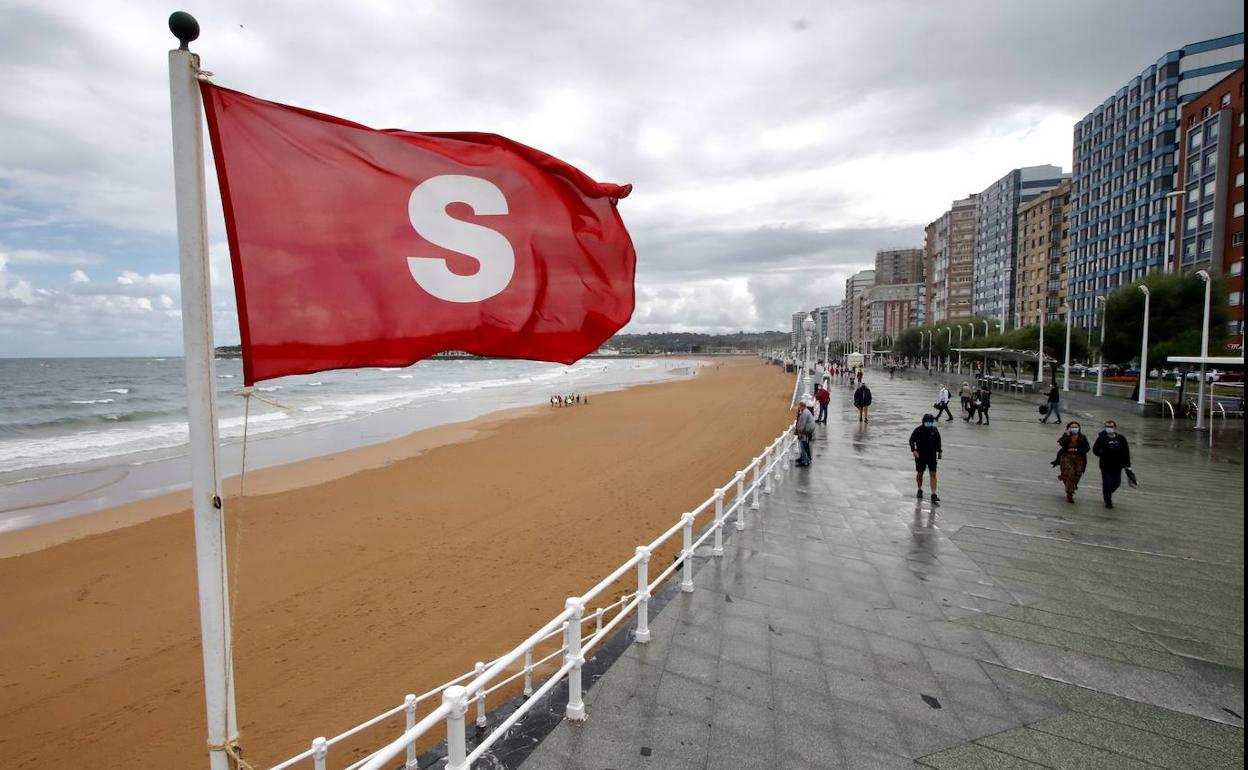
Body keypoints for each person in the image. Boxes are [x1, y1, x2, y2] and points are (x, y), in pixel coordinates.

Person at [1092, 420, 1131, 509]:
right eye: (1107, 427)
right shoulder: (1101, 438)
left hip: (1118, 465)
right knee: (1107, 482)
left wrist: (1127, 464)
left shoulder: (1121, 438)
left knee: (1117, 482)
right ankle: (1108, 500)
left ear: (1115, 427)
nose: (1109, 428)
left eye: (1111, 427)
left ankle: (1108, 492)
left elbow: (1126, 452)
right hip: (1106, 465)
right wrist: (1102, 454)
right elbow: (1095, 450)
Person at [1052, 421, 1090, 503]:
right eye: (1072, 427)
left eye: (1076, 427)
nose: (1074, 428)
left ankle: (1070, 486)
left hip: (1079, 459)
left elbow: (1087, 448)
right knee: (1070, 473)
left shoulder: (1082, 437)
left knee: (1077, 474)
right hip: (1066, 457)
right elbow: (1062, 443)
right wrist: (1067, 435)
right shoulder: (1066, 436)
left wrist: (1077, 449)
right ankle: (1069, 493)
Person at [909, 413, 943, 502]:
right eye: (926, 421)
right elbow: (911, 440)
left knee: (933, 474)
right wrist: (914, 450)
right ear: (923, 422)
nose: (928, 423)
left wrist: (939, 451)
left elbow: (938, 441)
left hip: (932, 456)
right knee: (920, 473)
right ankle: (919, 489)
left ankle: (933, 494)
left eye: (930, 422)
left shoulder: (934, 430)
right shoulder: (918, 430)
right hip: (920, 456)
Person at [794, 401, 816, 466]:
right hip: (807, 431)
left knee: (803, 446)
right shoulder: (806, 411)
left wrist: (798, 431)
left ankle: (805, 462)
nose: (799, 408)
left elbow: (803, 424)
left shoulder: (805, 413)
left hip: (805, 432)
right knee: (804, 446)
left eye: (799, 406)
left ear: (802, 406)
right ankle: (802, 458)